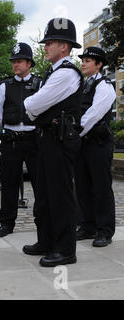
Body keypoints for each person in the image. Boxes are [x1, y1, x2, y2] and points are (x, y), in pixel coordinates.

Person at [22, 18, 84, 267]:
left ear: (64, 47)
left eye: (50, 42)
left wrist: (32, 106)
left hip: (60, 138)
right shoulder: (55, 72)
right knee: (45, 195)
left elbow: (32, 105)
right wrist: (34, 108)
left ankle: (65, 249)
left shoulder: (67, 73)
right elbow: (35, 107)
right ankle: (47, 241)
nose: (45, 46)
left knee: (60, 196)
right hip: (48, 137)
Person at [0, 43, 41, 238]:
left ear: (29, 63)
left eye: (19, 61)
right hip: (11, 140)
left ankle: (43, 221)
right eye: (14, 61)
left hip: (34, 140)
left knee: (40, 183)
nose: (16, 65)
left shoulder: (40, 84)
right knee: (9, 183)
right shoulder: (4, 86)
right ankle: (7, 223)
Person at [75, 47, 116, 247]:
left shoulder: (104, 86)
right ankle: (88, 226)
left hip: (98, 143)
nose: (83, 63)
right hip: (83, 143)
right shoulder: (82, 85)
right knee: (82, 187)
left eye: (88, 60)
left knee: (101, 187)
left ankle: (105, 230)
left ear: (99, 64)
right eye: (83, 60)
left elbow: (93, 115)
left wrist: (75, 132)